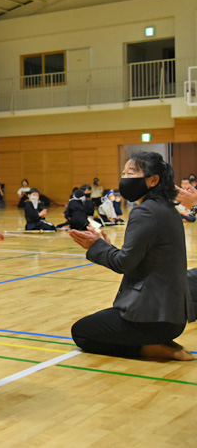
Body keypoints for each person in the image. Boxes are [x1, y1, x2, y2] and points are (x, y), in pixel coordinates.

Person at [69, 152, 194, 361]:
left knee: (82, 332)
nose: (125, 178)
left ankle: (149, 348)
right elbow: (137, 257)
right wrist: (106, 246)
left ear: (153, 180)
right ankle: (159, 341)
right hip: (173, 319)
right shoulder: (168, 209)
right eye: (124, 173)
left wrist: (96, 246)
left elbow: (124, 263)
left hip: (151, 319)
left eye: (131, 173)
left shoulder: (145, 211)